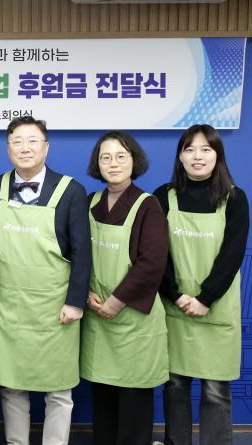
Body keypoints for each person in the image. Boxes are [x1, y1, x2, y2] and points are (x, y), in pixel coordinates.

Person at [0, 116, 90, 445]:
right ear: (8, 149)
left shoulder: (71, 190)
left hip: (54, 307)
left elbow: (83, 252)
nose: (24, 148)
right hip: (8, 305)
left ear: (46, 147)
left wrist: (75, 302)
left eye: (32, 141)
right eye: (17, 141)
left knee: (59, 389)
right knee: (12, 386)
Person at [153, 124, 249, 445]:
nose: (197, 156)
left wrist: (205, 298)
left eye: (206, 149)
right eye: (190, 149)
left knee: (216, 390)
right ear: (180, 156)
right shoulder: (163, 197)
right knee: (175, 386)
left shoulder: (234, 199)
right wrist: (176, 295)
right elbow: (156, 254)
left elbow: (232, 254)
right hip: (175, 308)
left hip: (216, 309)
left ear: (217, 155)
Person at [81, 131, 169, 445]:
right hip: (97, 316)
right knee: (103, 400)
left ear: (134, 161)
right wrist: (85, 292)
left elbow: (152, 263)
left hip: (133, 320)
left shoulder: (148, 205)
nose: (113, 163)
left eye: (121, 156)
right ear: (97, 164)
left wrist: (116, 302)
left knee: (133, 402)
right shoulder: (90, 203)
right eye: (105, 157)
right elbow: (77, 252)